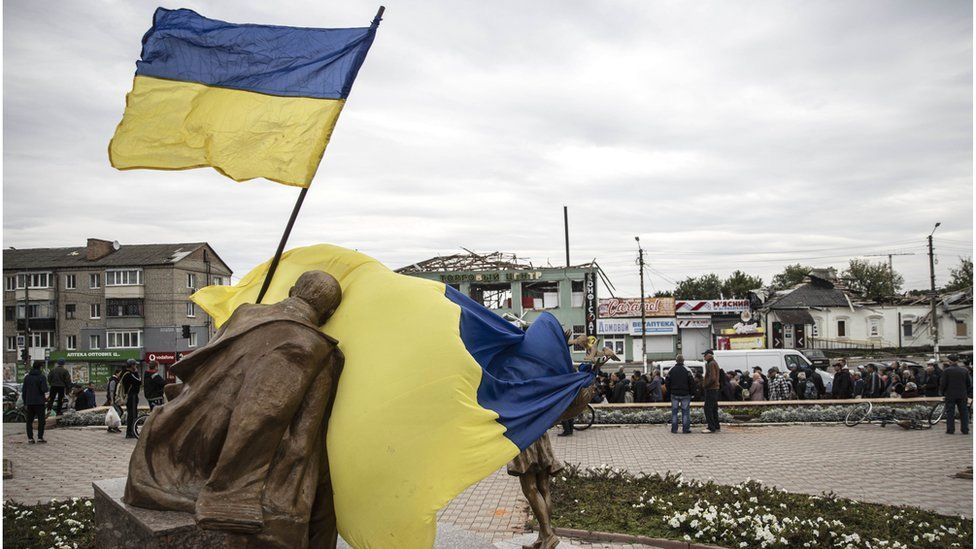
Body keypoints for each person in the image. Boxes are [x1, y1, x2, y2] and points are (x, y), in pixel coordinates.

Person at [940, 356, 973, 435]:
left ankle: (950, 429)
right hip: (962, 394)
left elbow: (943, 384)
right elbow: (969, 383)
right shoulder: (964, 370)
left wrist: (942, 392)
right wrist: (966, 392)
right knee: (964, 412)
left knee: (950, 412)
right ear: (957, 361)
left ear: (949, 361)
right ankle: (965, 429)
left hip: (950, 394)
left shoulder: (946, 371)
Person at [665, 355, 694, 434]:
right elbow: (692, 382)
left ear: (676, 360)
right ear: (683, 361)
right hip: (685, 394)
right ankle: (685, 429)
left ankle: (674, 429)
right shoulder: (687, 370)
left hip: (674, 393)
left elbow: (667, 382)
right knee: (685, 412)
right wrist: (692, 393)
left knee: (674, 412)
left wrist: (670, 391)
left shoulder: (671, 370)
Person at [22, 363, 49, 444]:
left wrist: (25, 402)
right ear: (40, 367)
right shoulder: (42, 377)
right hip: (39, 402)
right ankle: (40, 438)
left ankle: (30, 438)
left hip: (29, 402)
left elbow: (24, 391)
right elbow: (45, 389)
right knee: (41, 420)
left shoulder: (27, 377)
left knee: (29, 421)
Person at [121, 359, 142, 439]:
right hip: (132, 396)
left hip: (132, 396)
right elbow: (139, 381)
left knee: (133, 413)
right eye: (135, 365)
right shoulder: (129, 374)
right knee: (132, 414)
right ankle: (131, 432)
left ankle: (132, 430)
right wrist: (136, 372)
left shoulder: (127, 373)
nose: (136, 366)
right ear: (132, 365)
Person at [701, 350, 721, 433]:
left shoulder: (711, 364)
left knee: (708, 408)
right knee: (713, 408)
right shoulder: (713, 363)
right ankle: (716, 425)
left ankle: (711, 427)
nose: (704, 357)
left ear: (709, 355)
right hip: (714, 389)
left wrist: (706, 385)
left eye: (705, 355)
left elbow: (712, 378)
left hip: (711, 389)